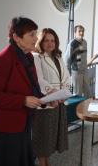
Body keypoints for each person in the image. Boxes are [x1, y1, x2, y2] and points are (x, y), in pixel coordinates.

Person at [0, 17, 44, 166]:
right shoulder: (2, 60)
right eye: (31, 34)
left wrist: (47, 98)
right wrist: (23, 100)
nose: (36, 38)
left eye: (35, 34)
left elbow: (31, 87)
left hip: (23, 123)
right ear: (16, 37)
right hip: (4, 127)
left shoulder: (28, 57)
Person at [32, 28, 71, 166]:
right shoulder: (36, 57)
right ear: (41, 42)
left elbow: (66, 76)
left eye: (52, 40)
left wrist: (65, 92)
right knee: (44, 137)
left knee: (52, 137)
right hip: (47, 103)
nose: (50, 43)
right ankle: (43, 163)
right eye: (46, 40)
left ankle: (47, 162)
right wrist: (54, 93)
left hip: (59, 102)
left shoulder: (58, 57)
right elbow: (39, 79)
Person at [64, 25, 90, 97]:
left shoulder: (85, 42)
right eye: (79, 31)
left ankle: (86, 107)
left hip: (85, 70)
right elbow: (67, 59)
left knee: (87, 91)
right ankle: (77, 108)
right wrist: (68, 74)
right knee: (77, 93)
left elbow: (83, 56)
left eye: (83, 31)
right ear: (75, 33)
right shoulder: (72, 43)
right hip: (76, 71)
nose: (81, 33)